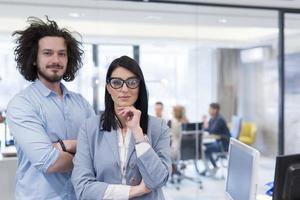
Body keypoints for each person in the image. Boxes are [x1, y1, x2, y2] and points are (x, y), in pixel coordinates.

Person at [6, 16, 95, 199]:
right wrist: (88, 154)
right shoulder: (22, 104)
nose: (56, 60)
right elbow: (48, 162)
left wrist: (65, 145)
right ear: (33, 59)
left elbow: (102, 148)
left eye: (61, 54)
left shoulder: (82, 104)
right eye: (47, 53)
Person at [72, 55, 171, 200]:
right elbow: (82, 187)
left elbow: (159, 180)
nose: (124, 89)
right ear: (108, 88)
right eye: (117, 82)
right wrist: (136, 191)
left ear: (139, 87)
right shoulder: (89, 128)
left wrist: (138, 133)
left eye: (132, 82)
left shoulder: (159, 127)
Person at [202, 103, 231, 176]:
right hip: (217, 142)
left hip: (223, 144)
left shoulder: (219, 119)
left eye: (210, 109)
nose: (209, 111)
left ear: (215, 110)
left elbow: (212, 130)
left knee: (205, 149)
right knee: (203, 146)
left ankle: (213, 167)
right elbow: (208, 129)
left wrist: (205, 122)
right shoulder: (213, 118)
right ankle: (211, 167)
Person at [168, 105, 188, 182]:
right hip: (186, 151)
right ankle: (175, 170)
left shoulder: (174, 121)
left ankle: (173, 171)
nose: (171, 112)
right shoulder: (186, 122)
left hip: (175, 151)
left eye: (172, 111)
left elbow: (173, 135)